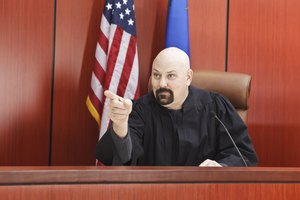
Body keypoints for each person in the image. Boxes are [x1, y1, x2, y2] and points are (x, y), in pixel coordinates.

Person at [96, 47, 258, 167]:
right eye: (156, 75)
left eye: (171, 76)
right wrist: (120, 126)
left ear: (188, 77)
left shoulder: (215, 108)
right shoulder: (140, 110)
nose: (161, 84)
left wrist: (221, 166)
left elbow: (242, 155)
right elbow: (123, 160)